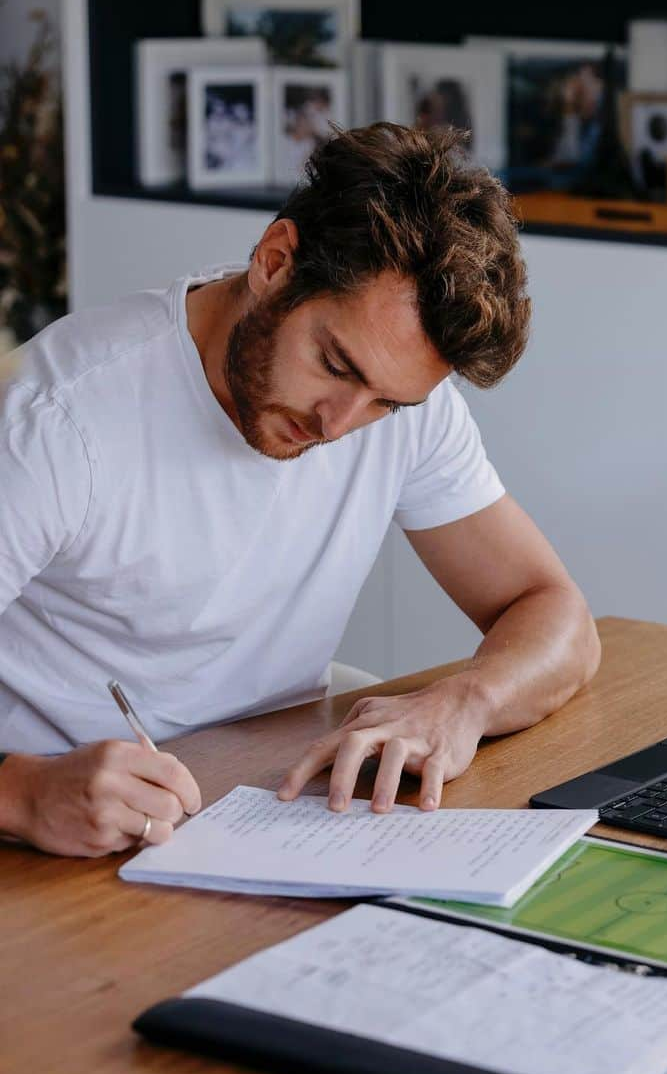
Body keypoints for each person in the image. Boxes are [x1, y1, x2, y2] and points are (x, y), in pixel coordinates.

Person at [0, 123, 600, 858]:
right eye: (334, 364)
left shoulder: (404, 408)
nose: (340, 424)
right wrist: (22, 794)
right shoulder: (52, 424)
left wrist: (463, 704)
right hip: (61, 843)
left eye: (387, 401)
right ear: (275, 262)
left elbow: (556, 615)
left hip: (273, 812)